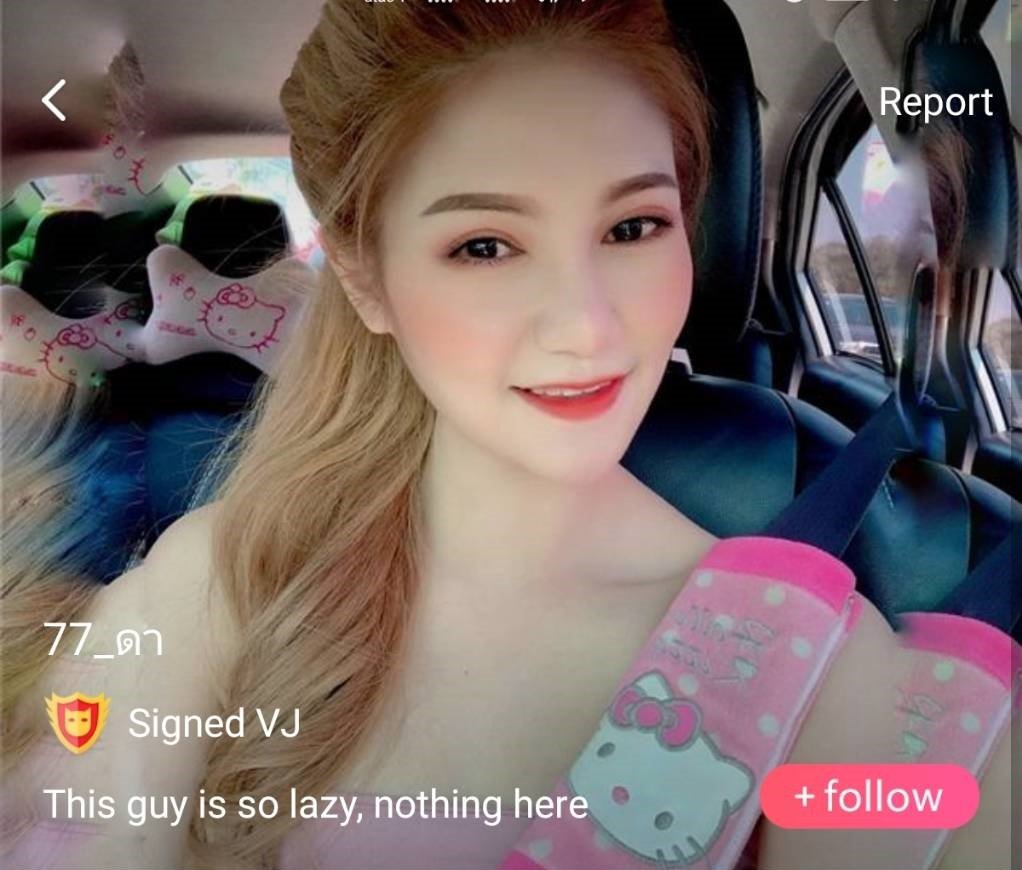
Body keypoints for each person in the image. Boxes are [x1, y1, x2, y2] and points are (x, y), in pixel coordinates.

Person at [1, 2, 1014, 869]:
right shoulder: (229, 585)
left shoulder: (833, 683)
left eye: (632, 228)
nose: (586, 328)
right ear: (365, 278)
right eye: (484, 245)